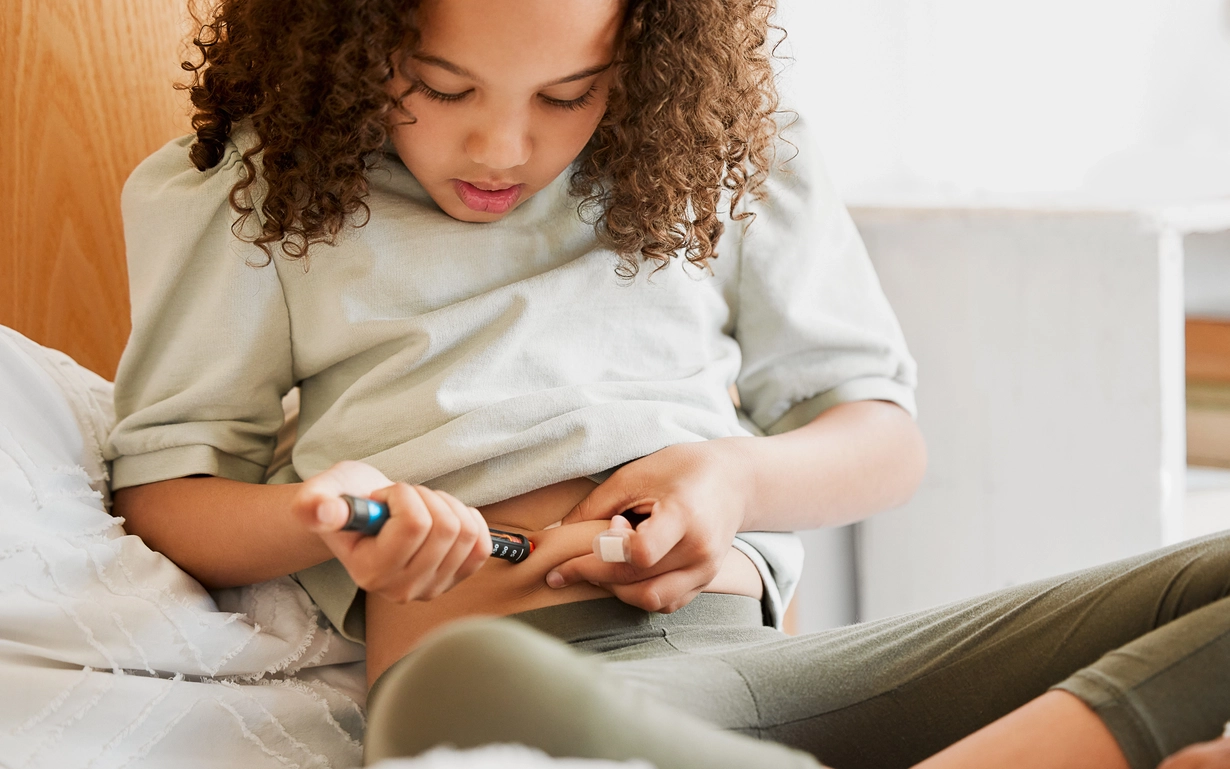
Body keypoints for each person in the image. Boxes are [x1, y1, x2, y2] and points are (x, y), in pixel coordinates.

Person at [104, 1, 1230, 767]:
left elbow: (882, 437)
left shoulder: (722, 151)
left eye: (570, 92)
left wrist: (733, 480)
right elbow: (168, 492)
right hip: (491, 673)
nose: (502, 146)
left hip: (756, 669)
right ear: (347, 38)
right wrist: (323, 520)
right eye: (440, 87)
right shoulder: (258, 188)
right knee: (468, 697)